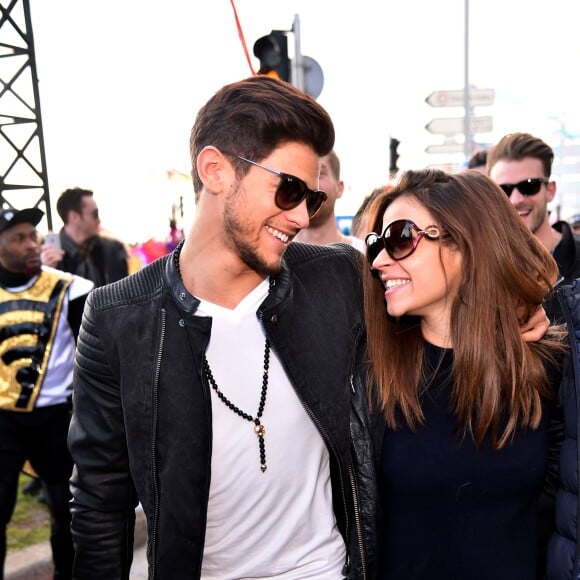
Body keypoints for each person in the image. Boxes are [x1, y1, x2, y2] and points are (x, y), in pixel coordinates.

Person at [68, 76, 376, 579]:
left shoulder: (339, 278)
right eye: (289, 189)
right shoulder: (117, 318)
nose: (300, 215)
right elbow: (101, 501)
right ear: (216, 170)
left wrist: (535, 316)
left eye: (311, 199)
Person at [361, 168, 578, 579]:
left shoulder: (549, 364)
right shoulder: (369, 371)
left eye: (401, 238)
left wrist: (541, 306)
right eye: (377, 244)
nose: (380, 260)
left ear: (463, 242)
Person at [0, 207, 93, 580]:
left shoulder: (70, 288)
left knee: (64, 508)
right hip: (4, 419)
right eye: (18, 238)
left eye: (33, 236)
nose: (31, 245)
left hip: (57, 416)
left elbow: (94, 357)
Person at [487, 132, 580, 293]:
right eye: (503, 190)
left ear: (550, 190)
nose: (516, 199)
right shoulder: (481, 271)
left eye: (529, 186)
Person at [40, 187, 129, 287]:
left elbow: (124, 294)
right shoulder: (49, 256)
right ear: (74, 217)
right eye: (95, 214)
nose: (99, 220)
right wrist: (45, 275)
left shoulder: (112, 249)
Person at [295, 150, 365, 250]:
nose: (309, 183)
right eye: (301, 175)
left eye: (318, 173)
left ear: (339, 188)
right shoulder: (276, 254)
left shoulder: (364, 253)